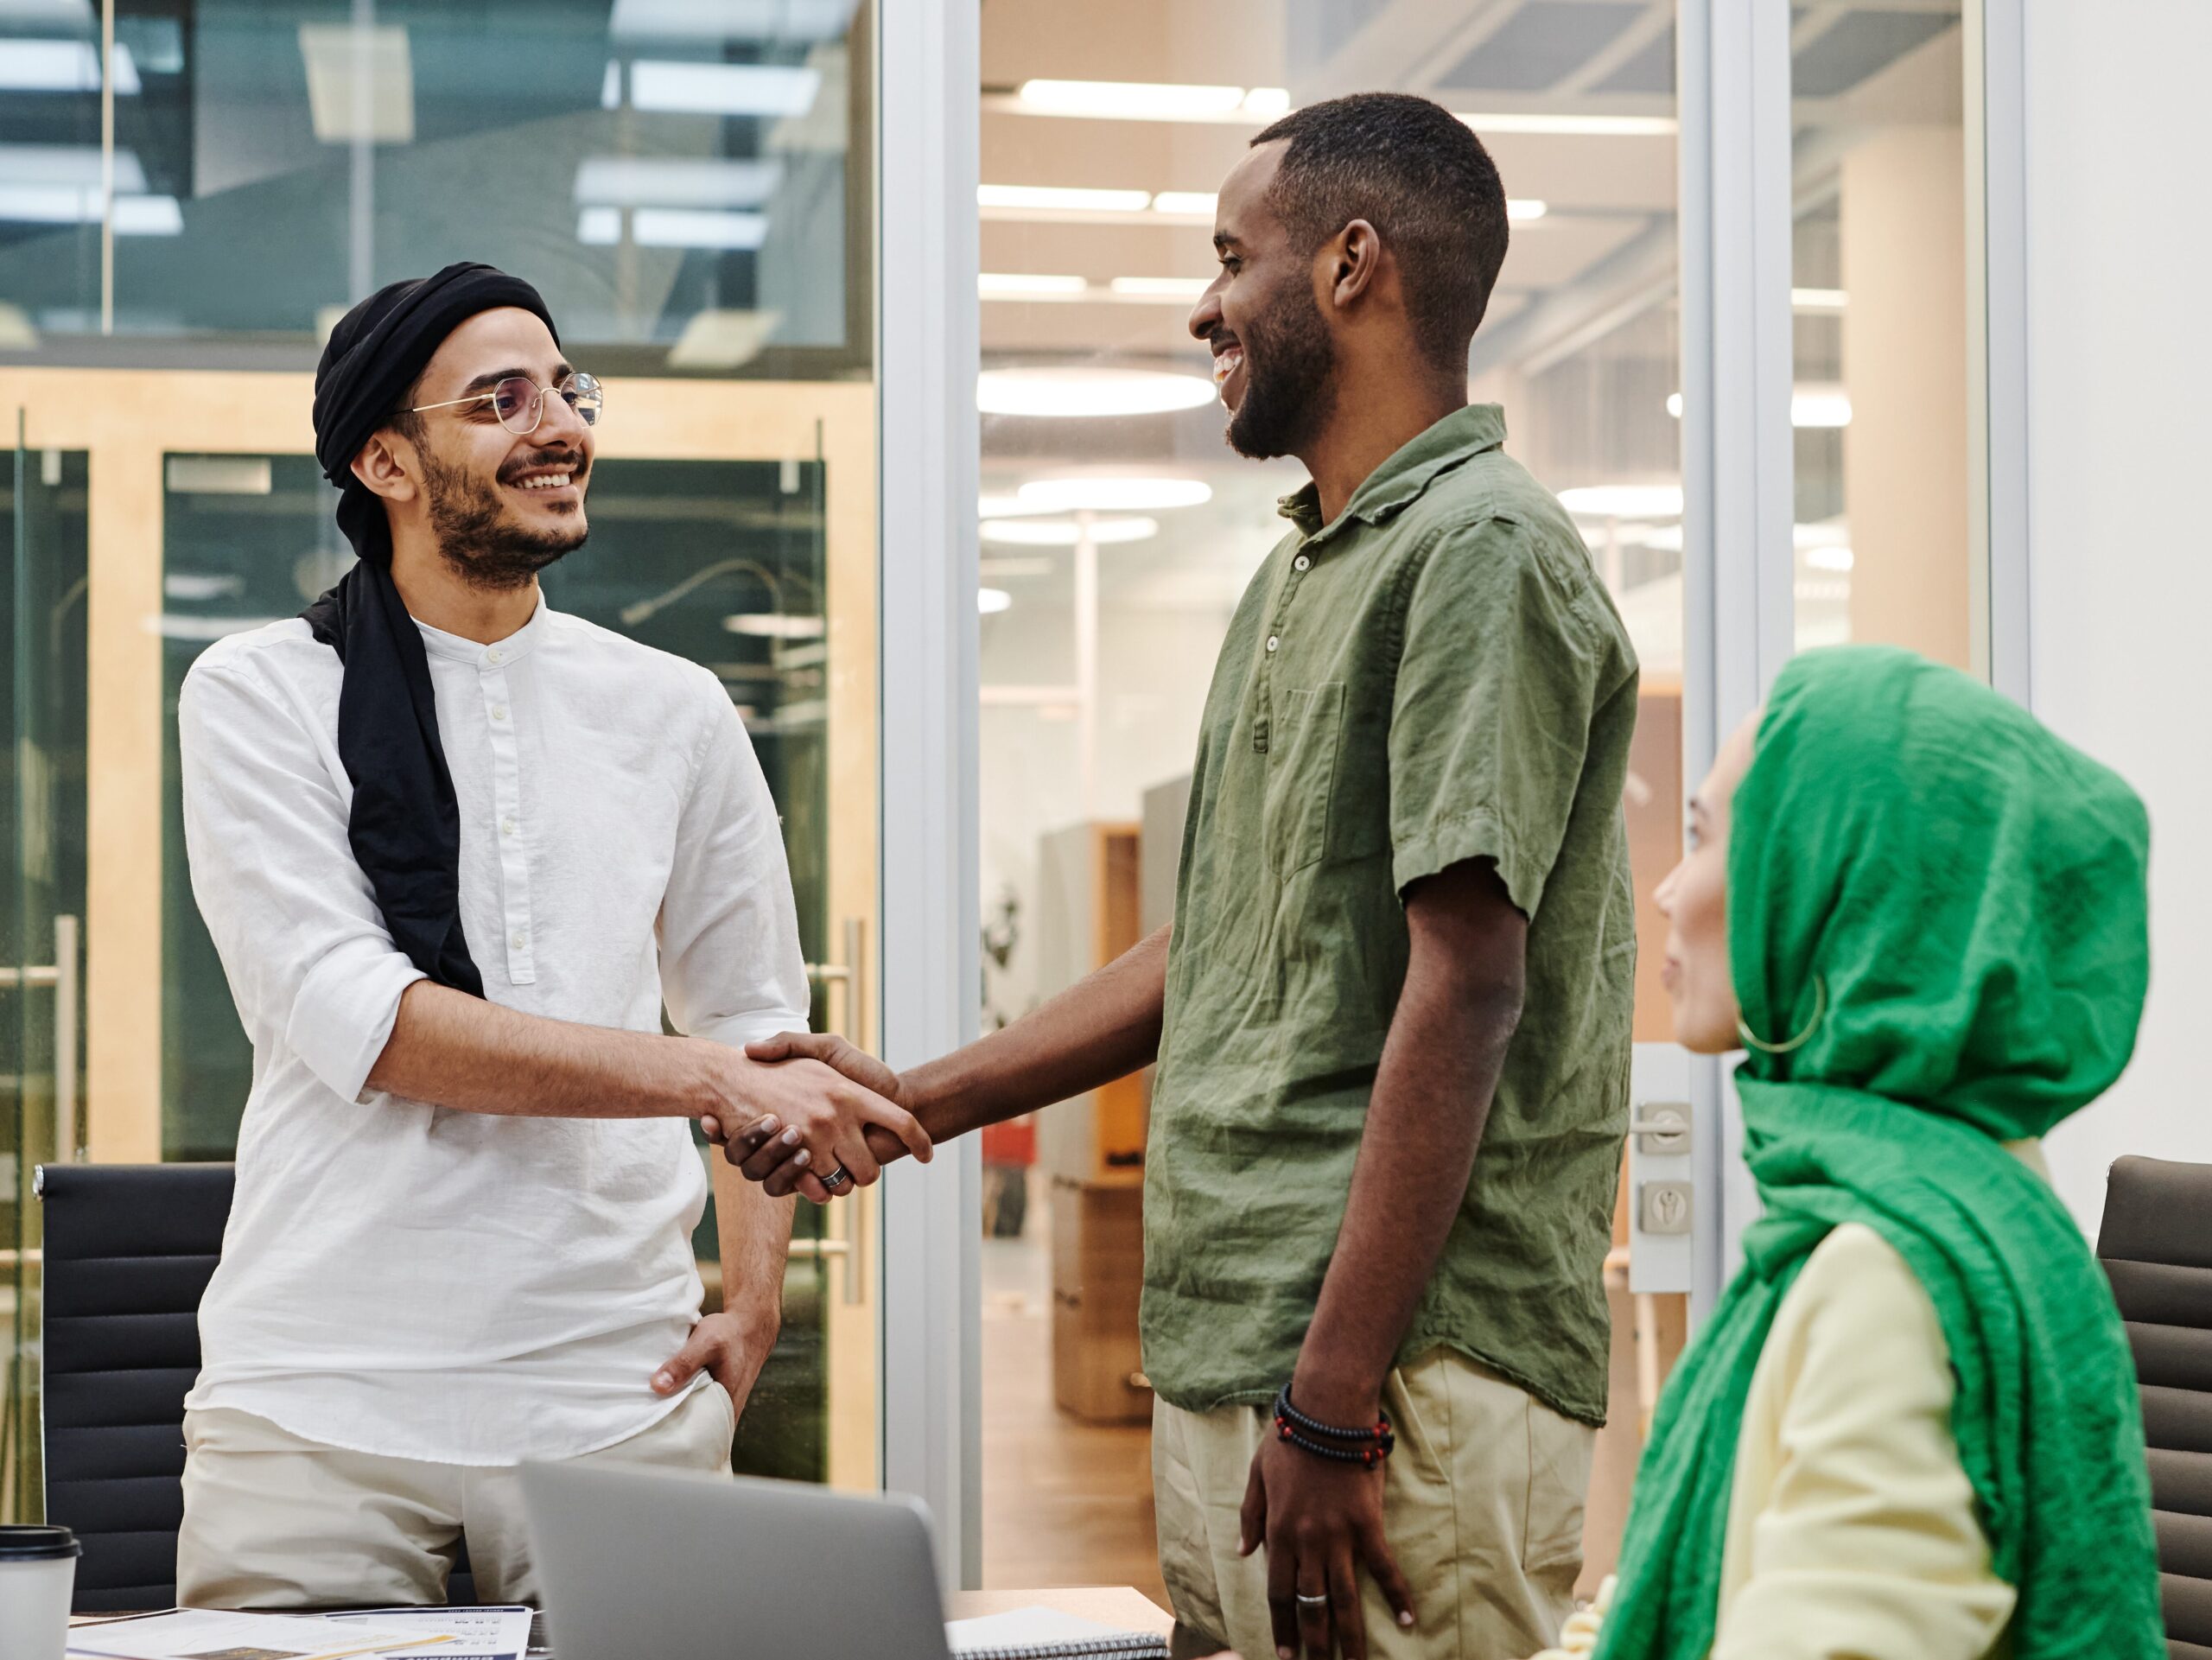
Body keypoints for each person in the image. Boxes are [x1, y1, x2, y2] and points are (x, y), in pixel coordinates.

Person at [723, 94, 1641, 1660]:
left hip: (1398, 1373)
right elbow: (1212, 943)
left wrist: (1339, 1402)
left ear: (1353, 267)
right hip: (1256, 1344)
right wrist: (914, 1103)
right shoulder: (1306, 568)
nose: (1205, 304)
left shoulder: (1481, 551)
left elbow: (1471, 981)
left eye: (1235, 257)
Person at [175, 263, 927, 1607]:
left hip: (616, 1392)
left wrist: (753, 1299)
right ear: (383, 459)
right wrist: (705, 1079)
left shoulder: (675, 710)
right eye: (500, 400)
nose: (559, 425)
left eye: (568, 388)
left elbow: (751, 1013)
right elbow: (370, 1020)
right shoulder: (257, 695)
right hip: (317, 1407)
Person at [1538, 646, 2164, 1660]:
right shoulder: (1951, 1198)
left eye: (1701, 838)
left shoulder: (1890, 1274)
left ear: (1825, 888)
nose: (1666, 891)